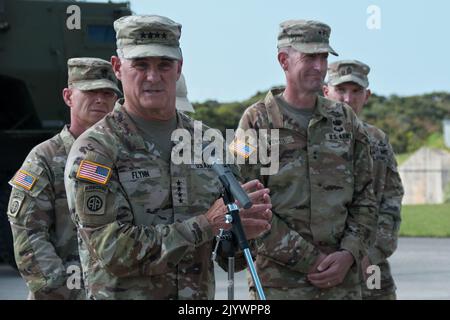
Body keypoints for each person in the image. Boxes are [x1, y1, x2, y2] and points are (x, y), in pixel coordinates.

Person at [64, 15, 272, 300]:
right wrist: (205, 225)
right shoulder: (95, 150)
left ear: (179, 68)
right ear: (117, 68)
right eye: (140, 65)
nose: (153, 76)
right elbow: (112, 250)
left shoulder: (207, 142)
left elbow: (225, 256)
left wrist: (244, 230)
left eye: (164, 64)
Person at [236, 20, 377, 300]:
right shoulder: (256, 122)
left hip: (342, 284)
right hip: (280, 283)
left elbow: (366, 197)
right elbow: (246, 206)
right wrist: (309, 259)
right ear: (283, 60)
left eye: (323, 57)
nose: (318, 66)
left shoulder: (345, 120)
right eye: (309, 57)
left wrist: (348, 253)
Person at [6, 57, 120, 299]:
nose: (100, 99)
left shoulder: (126, 155)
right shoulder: (44, 157)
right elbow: (28, 235)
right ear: (68, 96)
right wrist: (63, 291)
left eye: (108, 93)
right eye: (90, 91)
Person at [323, 60, 404, 300]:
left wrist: (372, 251)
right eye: (341, 90)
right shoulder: (306, 138)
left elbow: (391, 200)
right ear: (326, 92)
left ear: (367, 95)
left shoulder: (378, 140)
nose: (348, 99)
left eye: (356, 91)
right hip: (321, 264)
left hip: (370, 265)